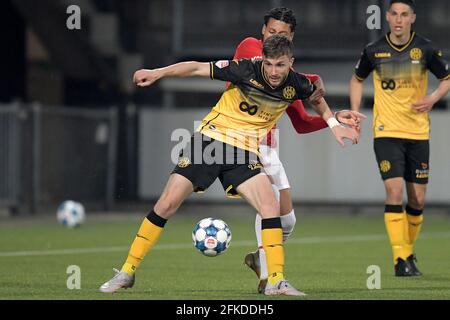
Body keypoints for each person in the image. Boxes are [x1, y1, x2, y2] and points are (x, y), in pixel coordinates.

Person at [99, 35, 359, 296]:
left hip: (244, 153)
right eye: (268, 64)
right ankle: (127, 271)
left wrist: (334, 125)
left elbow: (316, 96)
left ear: (290, 63)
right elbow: (196, 67)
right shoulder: (246, 69)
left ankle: (276, 280)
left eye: (280, 65)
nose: (273, 71)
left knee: (270, 207)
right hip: (210, 141)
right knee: (166, 204)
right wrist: (158, 72)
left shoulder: (297, 84)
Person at [232, 7, 366, 293]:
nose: (274, 38)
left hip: (268, 147)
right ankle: (271, 278)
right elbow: (257, 65)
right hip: (241, 140)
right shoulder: (250, 48)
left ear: (291, 37)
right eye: (271, 32)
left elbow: (302, 123)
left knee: (287, 221)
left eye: (282, 34)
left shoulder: (288, 79)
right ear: (262, 32)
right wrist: (312, 78)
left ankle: (260, 258)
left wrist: (336, 118)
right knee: (268, 204)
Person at [349, 0, 449, 276]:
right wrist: (355, 112)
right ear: (388, 17)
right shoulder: (374, 50)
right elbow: (356, 79)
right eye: (394, 13)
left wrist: (432, 98)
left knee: (417, 199)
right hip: (386, 132)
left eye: (404, 14)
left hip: (418, 132)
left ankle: (407, 254)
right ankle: (400, 260)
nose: (398, 19)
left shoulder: (426, 49)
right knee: (394, 191)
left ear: (412, 18)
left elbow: (447, 78)